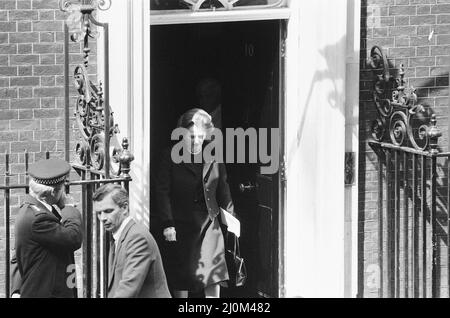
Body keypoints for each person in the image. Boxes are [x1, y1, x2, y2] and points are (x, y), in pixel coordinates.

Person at [155, 108, 235, 298]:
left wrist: (231, 219)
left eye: (200, 136)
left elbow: (224, 190)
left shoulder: (214, 156)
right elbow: (162, 192)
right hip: (181, 226)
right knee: (182, 275)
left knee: (213, 273)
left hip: (210, 224)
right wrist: (168, 224)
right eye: (191, 136)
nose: (196, 140)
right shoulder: (169, 156)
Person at [11, 158, 83, 298]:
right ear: (52, 192)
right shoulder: (39, 219)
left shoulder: (31, 210)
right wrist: (68, 207)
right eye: (62, 187)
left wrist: (17, 290)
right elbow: (73, 238)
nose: (64, 192)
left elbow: (19, 255)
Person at [93, 184, 171, 298]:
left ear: (124, 208)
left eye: (108, 211)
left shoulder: (137, 238)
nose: (103, 218)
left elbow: (128, 288)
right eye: (99, 213)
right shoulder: (121, 235)